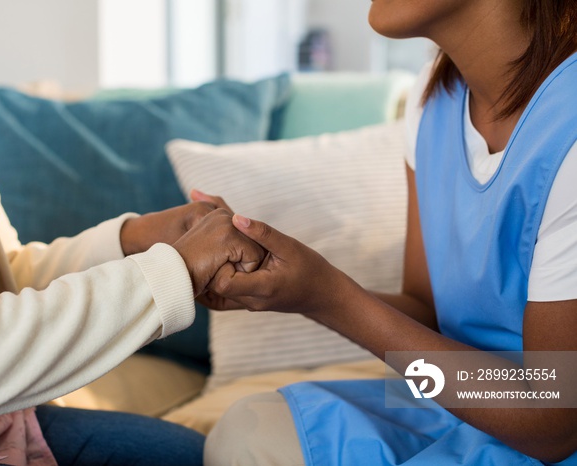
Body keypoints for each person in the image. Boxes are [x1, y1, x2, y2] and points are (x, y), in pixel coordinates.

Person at [0, 2, 264, 465]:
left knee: (204, 457)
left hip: (11, 424)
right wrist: (168, 273)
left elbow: (3, 277)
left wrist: (132, 239)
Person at [203, 1, 577, 465]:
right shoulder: (434, 99)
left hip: (542, 426)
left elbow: (554, 418)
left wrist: (329, 297)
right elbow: (426, 314)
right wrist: (286, 282)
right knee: (249, 428)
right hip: (454, 402)